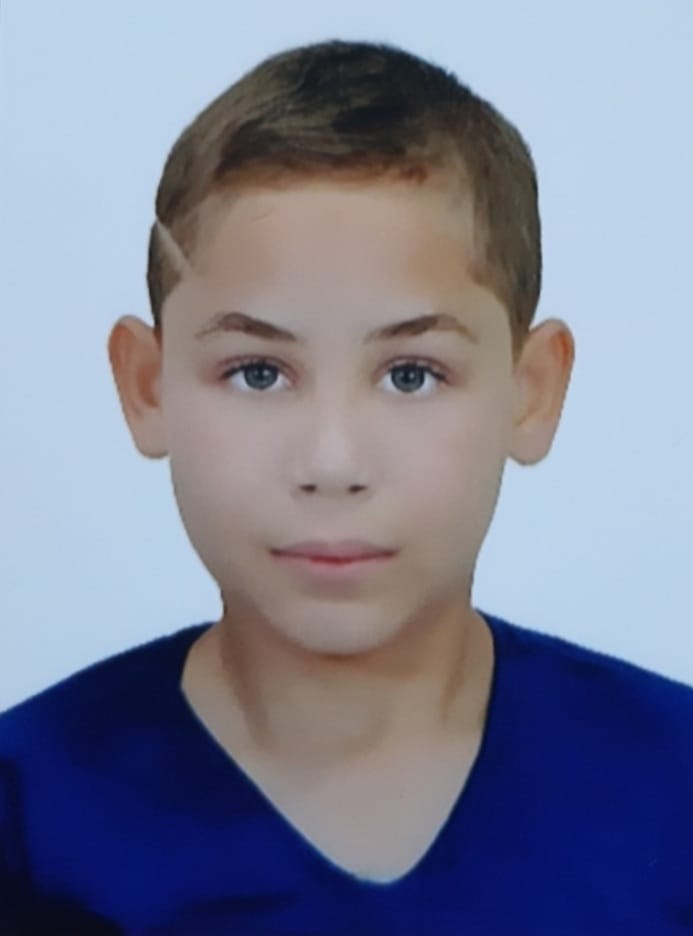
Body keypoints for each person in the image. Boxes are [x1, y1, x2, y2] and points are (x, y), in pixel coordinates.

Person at [1, 38, 691, 936]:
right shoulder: (28, 821)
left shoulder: (671, 792)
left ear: (531, 393)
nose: (331, 463)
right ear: (147, 386)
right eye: (257, 373)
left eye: (411, 375)